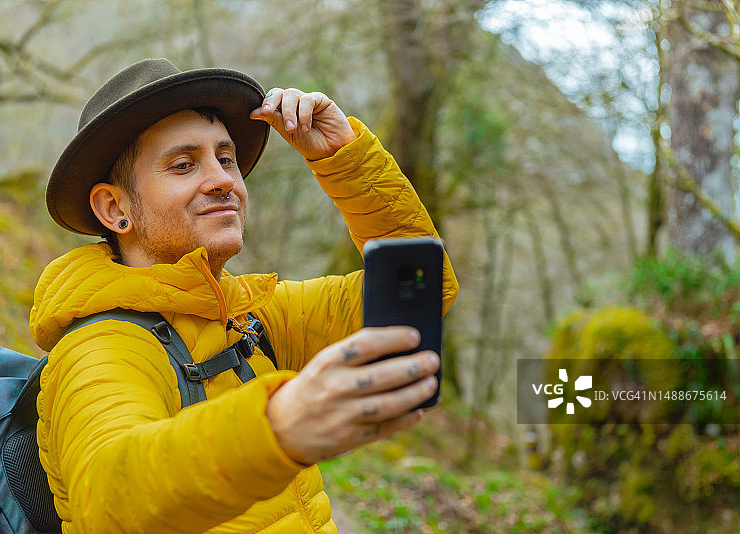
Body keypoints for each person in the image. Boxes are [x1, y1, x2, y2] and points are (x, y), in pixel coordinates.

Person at [30, 58, 458, 533]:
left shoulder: (251, 318)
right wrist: (277, 426)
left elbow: (423, 292)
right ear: (115, 208)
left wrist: (345, 159)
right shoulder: (101, 347)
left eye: (226, 158)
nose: (224, 181)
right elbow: (110, 495)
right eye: (183, 164)